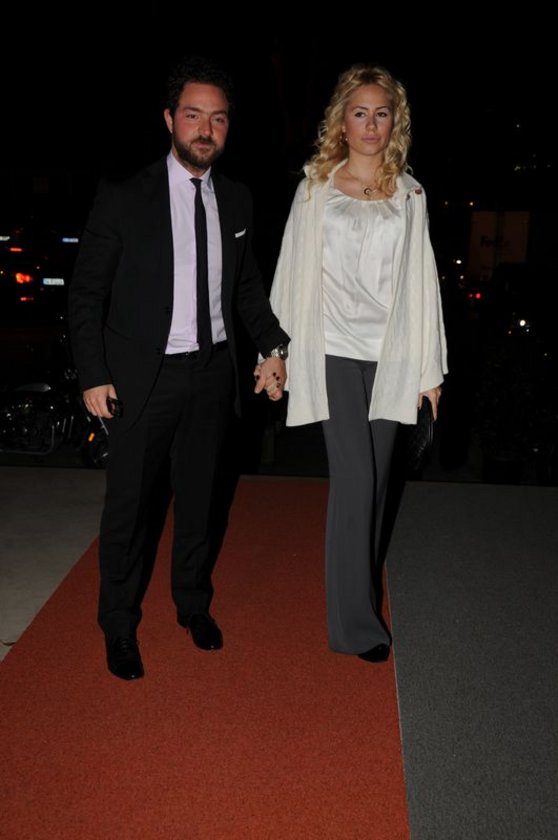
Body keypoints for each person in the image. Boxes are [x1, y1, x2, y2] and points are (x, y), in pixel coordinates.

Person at [68, 55, 289, 681]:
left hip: (213, 375)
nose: (205, 129)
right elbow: (86, 294)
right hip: (143, 379)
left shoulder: (237, 199)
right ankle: (118, 624)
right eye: (193, 115)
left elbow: (246, 288)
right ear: (169, 119)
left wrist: (273, 346)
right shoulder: (124, 198)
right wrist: (93, 373)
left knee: (200, 503)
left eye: (217, 118)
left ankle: (193, 605)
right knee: (130, 509)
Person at [261, 63, 447, 663]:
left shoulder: (411, 194)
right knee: (357, 481)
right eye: (360, 112)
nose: (370, 124)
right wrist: (274, 351)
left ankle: (357, 601)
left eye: (381, 113)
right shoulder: (316, 188)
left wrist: (429, 371)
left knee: (377, 486)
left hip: (391, 357)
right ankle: (356, 625)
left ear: (395, 123)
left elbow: (424, 285)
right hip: (333, 352)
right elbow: (290, 271)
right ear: (341, 121)